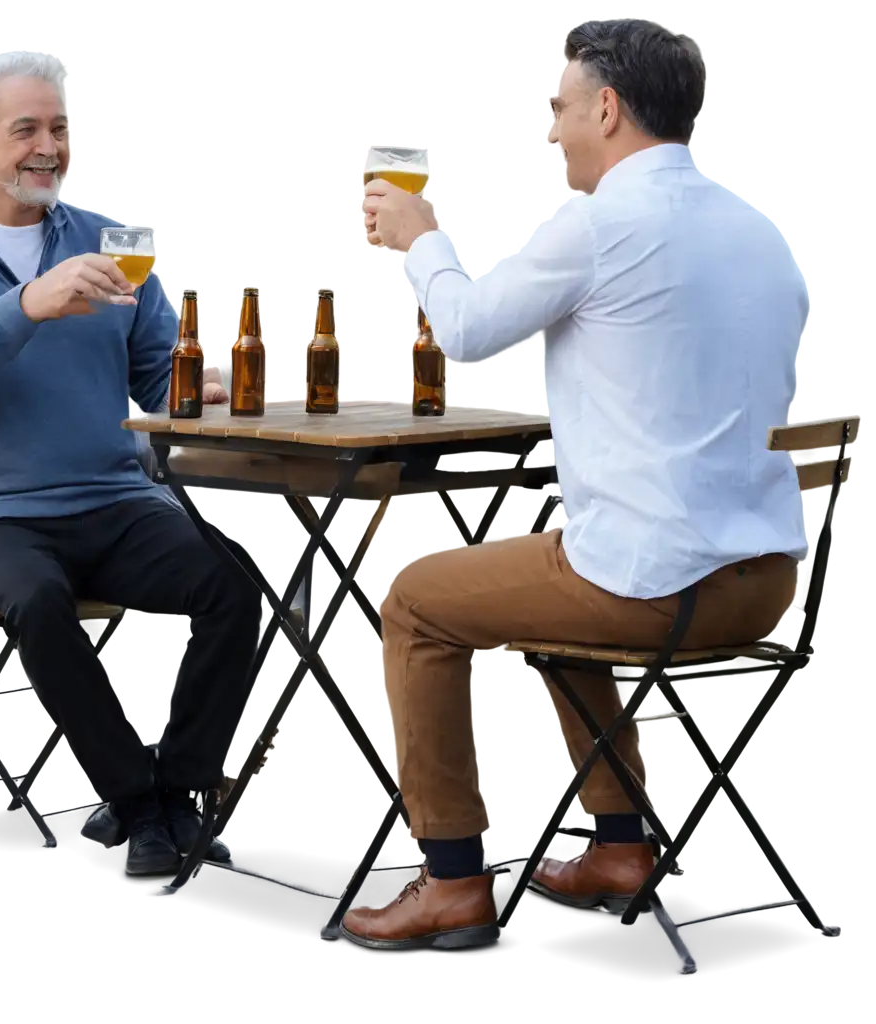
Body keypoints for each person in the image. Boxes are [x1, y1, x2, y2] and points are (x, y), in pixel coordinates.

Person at [346, 20, 810, 949]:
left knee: (414, 601)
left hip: (656, 584)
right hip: (765, 582)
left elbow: (471, 329)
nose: (551, 131)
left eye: (557, 109)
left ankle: (451, 879)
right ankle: (619, 846)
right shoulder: (757, 224)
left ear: (606, 107)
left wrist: (418, 239)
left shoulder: (604, 221)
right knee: (550, 591)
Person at [0, 48, 261, 879]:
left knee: (236, 587)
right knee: (42, 602)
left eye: (58, 127)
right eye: (25, 130)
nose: (47, 146)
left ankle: (183, 794)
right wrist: (26, 305)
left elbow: (154, 374)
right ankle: (132, 805)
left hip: (114, 499)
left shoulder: (107, 239)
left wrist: (204, 386)